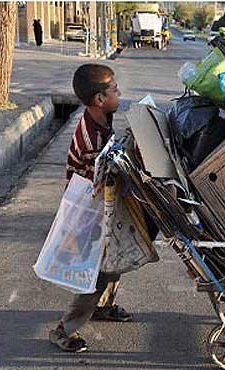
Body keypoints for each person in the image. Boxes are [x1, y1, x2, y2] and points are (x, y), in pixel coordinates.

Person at [49, 64, 130, 353]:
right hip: (88, 208)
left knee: (115, 255)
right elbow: (101, 177)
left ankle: (103, 306)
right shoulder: (91, 137)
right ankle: (64, 329)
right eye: (114, 90)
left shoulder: (103, 117)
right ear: (98, 99)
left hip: (99, 202)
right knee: (95, 269)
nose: (119, 93)